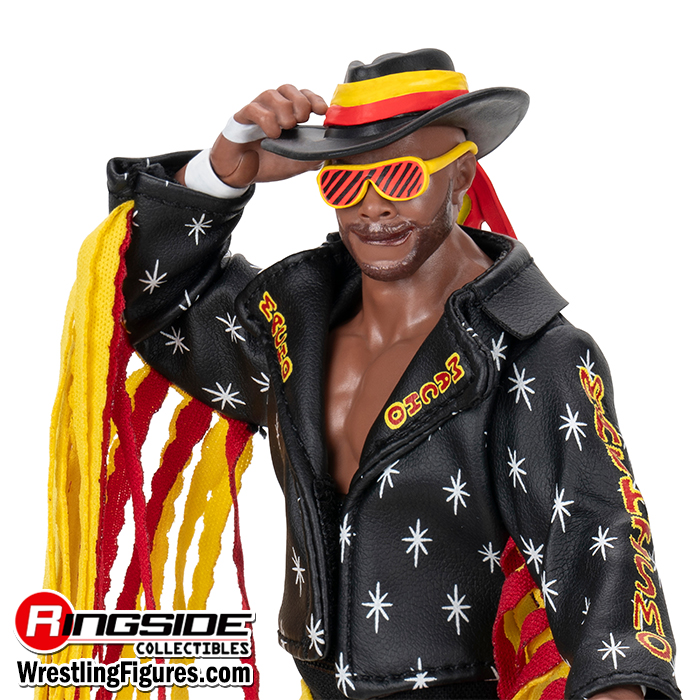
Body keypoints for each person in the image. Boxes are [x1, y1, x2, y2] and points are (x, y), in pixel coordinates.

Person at [107, 49, 680, 699]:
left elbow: (597, 540)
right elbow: (156, 305)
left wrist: (618, 686)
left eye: (401, 178)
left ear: (461, 174)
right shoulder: (293, 328)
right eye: (345, 184)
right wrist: (219, 175)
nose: (373, 207)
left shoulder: (530, 353)